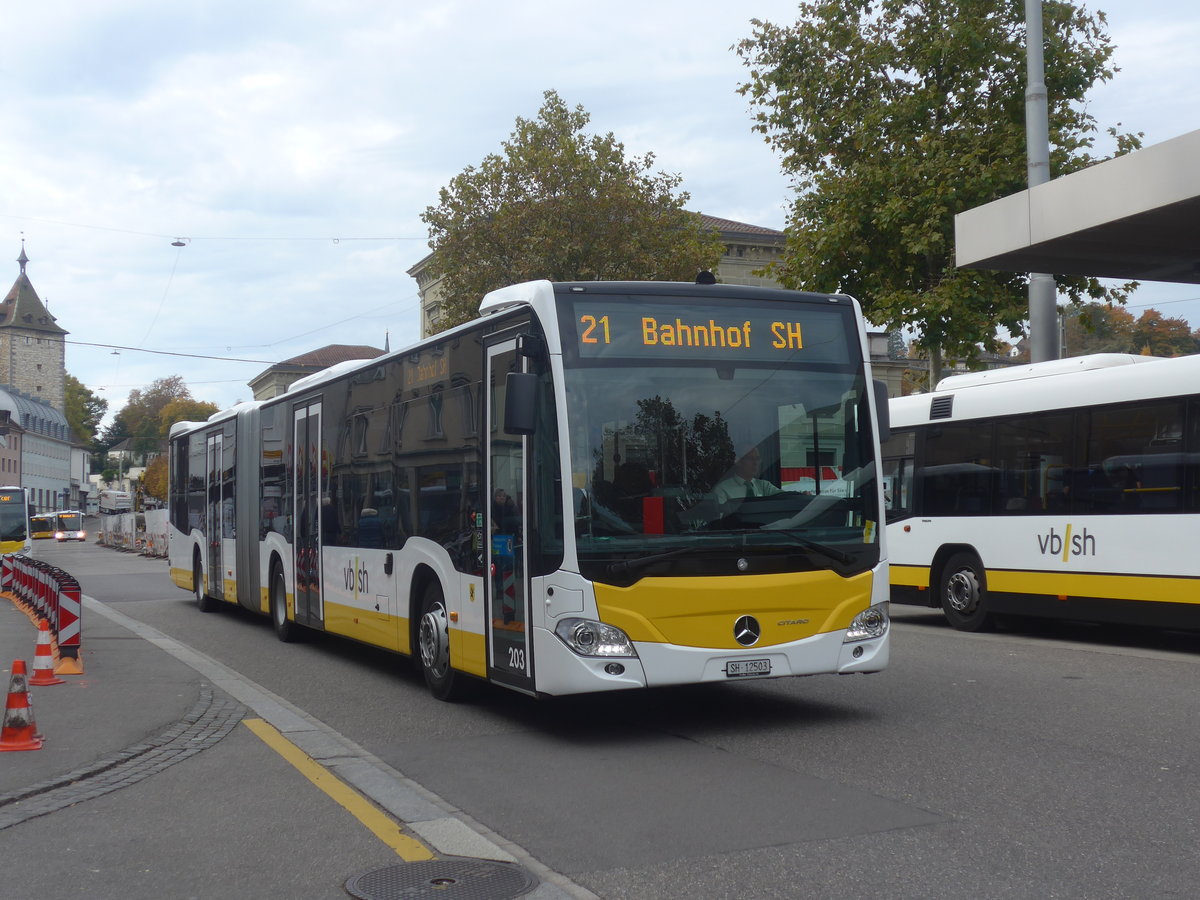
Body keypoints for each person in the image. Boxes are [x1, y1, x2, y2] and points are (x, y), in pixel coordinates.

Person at [713, 446, 783, 506]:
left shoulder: (764, 486)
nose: (755, 463)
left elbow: (786, 498)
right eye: (750, 458)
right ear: (738, 461)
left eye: (757, 458)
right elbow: (719, 516)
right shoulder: (723, 490)